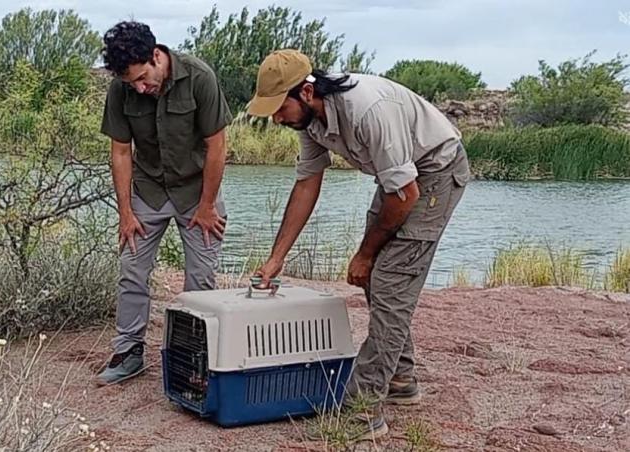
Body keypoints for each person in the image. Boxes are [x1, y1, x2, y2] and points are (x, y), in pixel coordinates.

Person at [249, 49, 470, 439]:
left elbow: (405, 196)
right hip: (402, 180)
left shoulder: (367, 111)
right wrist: (276, 259)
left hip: (435, 171)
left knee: (388, 281)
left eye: (278, 108)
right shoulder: (310, 121)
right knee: (376, 279)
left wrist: (365, 254)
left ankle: (361, 412)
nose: (275, 118)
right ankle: (401, 379)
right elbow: (306, 184)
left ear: (305, 93)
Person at [97, 21, 233, 385]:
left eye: (143, 78)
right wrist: (125, 212)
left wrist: (207, 207)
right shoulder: (121, 89)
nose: (140, 88)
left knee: (200, 279)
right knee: (132, 268)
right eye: (131, 84)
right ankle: (128, 351)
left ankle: (194, 359)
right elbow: (121, 152)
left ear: (156, 56)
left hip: (197, 191)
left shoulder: (200, 76)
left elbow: (217, 147)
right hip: (148, 190)